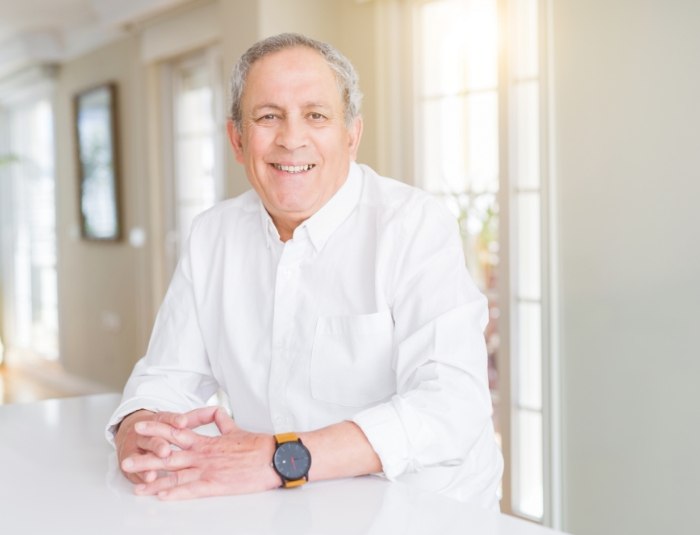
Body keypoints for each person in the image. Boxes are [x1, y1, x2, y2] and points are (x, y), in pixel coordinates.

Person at [107, 32, 503, 510]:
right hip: (282, 509)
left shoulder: (413, 225)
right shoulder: (211, 236)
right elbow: (169, 374)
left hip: (423, 509)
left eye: (315, 116)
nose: (291, 138)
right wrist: (139, 427)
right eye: (268, 116)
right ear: (237, 138)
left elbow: (452, 405)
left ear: (351, 135)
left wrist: (280, 458)